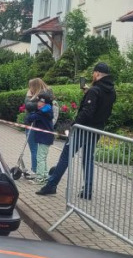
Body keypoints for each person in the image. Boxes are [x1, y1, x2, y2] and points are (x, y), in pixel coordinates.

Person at [37, 62, 117, 198]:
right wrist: (89, 95)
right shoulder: (111, 91)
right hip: (97, 129)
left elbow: (87, 112)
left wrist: (74, 125)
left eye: (93, 73)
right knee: (88, 158)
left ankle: (51, 185)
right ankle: (87, 191)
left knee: (65, 156)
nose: (93, 75)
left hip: (82, 129)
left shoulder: (95, 90)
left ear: (97, 73)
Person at [24, 78, 55, 182]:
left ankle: (38, 175)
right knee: (41, 155)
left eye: (30, 87)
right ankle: (44, 174)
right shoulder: (46, 103)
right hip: (45, 135)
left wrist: (29, 97)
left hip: (40, 133)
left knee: (38, 154)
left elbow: (28, 108)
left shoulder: (42, 101)